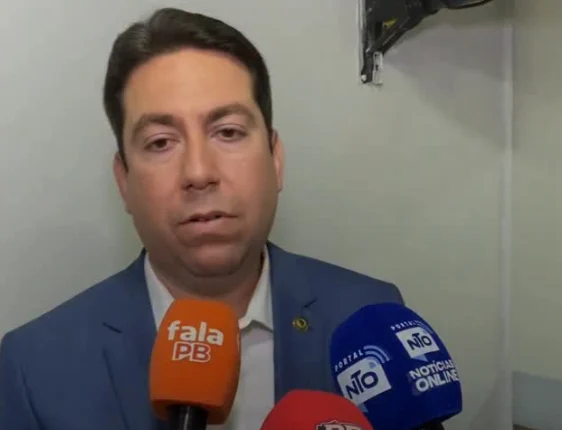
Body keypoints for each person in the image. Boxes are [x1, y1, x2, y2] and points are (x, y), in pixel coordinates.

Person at [0, 7, 403, 430]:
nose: (198, 172)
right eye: (160, 142)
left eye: (228, 132)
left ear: (275, 160)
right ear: (124, 181)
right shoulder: (33, 369)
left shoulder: (372, 318)